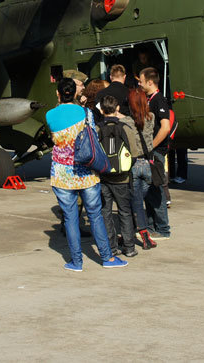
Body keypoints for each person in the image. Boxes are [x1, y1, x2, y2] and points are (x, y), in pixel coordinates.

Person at [45, 78, 127, 271]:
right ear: (74, 93)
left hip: (62, 173)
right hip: (87, 172)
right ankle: (107, 257)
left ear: (58, 94)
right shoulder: (85, 112)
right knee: (95, 215)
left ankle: (76, 261)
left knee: (70, 217)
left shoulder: (50, 115)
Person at [96, 95, 137, 257]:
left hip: (104, 177)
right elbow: (134, 153)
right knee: (125, 212)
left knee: (105, 212)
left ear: (101, 110)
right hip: (122, 178)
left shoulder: (97, 129)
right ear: (118, 108)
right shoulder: (125, 128)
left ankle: (111, 247)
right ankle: (129, 247)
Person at [137, 67, 172, 239]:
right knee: (149, 191)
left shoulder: (159, 100)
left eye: (141, 81)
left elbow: (165, 127)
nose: (139, 84)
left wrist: (151, 147)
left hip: (156, 152)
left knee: (156, 190)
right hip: (150, 152)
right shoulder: (149, 99)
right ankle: (151, 226)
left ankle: (163, 229)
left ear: (150, 82)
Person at [125, 88, 158, 250]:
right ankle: (134, 231)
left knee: (136, 202)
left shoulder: (126, 122)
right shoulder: (151, 118)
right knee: (139, 200)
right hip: (148, 165)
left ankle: (144, 236)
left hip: (133, 165)